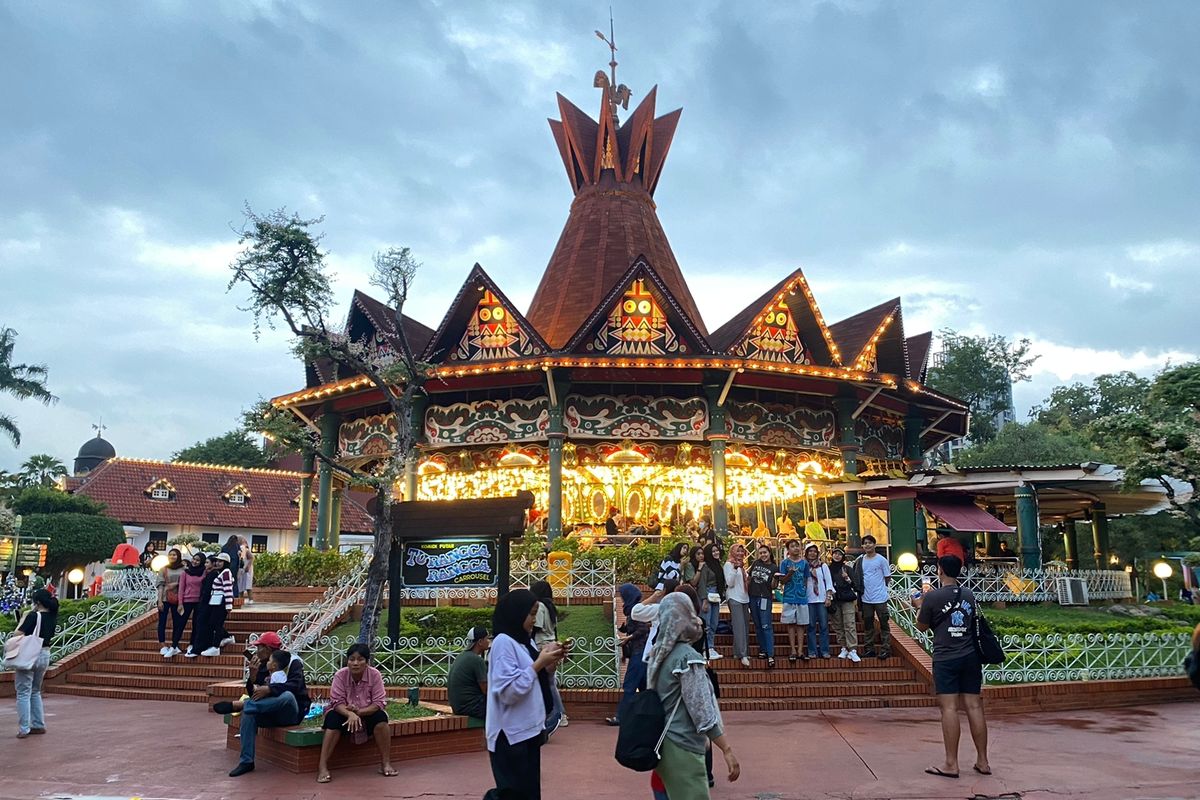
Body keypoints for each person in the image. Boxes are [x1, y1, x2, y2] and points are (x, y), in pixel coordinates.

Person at [647, 593, 740, 798]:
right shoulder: (687, 658)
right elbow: (701, 710)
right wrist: (726, 749)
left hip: (662, 745)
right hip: (682, 747)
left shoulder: (658, 654)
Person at [485, 588, 566, 800]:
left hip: (528, 732)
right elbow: (508, 693)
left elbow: (534, 681)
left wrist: (549, 665)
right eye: (531, 613)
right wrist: (539, 663)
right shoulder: (503, 643)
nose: (534, 619)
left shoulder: (524, 641)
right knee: (512, 794)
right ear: (516, 613)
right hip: (510, 736)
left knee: (529, 793)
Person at [915, 554, 990, 779]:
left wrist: (918, 605)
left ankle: (951, 763)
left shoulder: (932, 597)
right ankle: (983, 761)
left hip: (946, 657)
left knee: (949, 708)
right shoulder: (969, 594)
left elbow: (921, 626)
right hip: (970, 655)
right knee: (974, 706)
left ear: (940, 570)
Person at [212, 630, 312, 777]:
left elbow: (295, 686)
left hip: (291, 712)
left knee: (287, 696)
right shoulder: (263, 665)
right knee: (249, 713)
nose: (256, 651)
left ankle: (243, 705)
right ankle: (246, 761)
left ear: (268, 649)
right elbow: (255, 695)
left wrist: (270, 689)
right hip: (268, 712)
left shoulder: (292, 662)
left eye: (259, 648)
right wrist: (252, 678)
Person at [316, 642, 396, 783]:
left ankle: (385, 763)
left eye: (360, 659)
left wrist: (358, 712)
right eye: (352, 659)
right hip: (344, 713)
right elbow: (336, 702)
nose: (355, 663)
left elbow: (379, 702)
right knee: (332, 720)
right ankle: (322, 766)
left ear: (367, 662)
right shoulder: (340, 675)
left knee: (381, 719)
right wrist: (350, 714)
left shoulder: (375, 675)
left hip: (365, 712)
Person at [12, 588, 57, 738]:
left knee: (23, 692)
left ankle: (24, 728)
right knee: (35, 690)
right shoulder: (52, 616)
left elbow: (17, 634)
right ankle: (38, 724)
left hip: (29, 655)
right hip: (44, 653)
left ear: (37, 602)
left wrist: (24, 618)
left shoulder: (33, 616)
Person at [607, 583, 650, 726]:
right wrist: (626, 629)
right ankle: (647, 715)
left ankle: (622, 716)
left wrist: (629, 637)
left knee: (630, 685)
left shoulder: (635, 611)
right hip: (641, 652)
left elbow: (643, 629)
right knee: (644, 687)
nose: (621, 598)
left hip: (639, 652)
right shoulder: (632, 610)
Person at [530, 580, 567, 733]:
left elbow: (535, 628)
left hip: (542, 646)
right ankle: (560, 713)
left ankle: (558, 714)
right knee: (551, 683)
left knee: (546, 682)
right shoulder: (551, 606)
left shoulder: (540, 606)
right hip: (552, 645)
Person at [852, 535, 892, 660]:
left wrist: (881, 588)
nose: (867, 545)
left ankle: (886, 648)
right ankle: (869, 649)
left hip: (880, 597)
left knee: (884, 623)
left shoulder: (881, 560)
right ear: (862, 546)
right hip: (865, 598)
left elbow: (887, 577)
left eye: (870, 543)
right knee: (868, 624)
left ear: (875, 545)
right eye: (865, 543)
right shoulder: (860, 561)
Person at [448, 626, 491, 721]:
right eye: (487, 638)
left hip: (458, 707)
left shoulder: (462, 656)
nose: (489, 641)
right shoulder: (476, 660)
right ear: (480, 642)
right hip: (471, 707)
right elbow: (486, 690)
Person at [779, 539, 811, 663]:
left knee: (801, 624)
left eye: (797, 546)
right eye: (792, 546)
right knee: (791, 623)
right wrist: (790, 573)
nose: (796, 548)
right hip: (789, 596)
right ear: (788, 549)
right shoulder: (785, 563)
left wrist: (803, 591)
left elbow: (805, 579)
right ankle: (792, 650)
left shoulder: (804, 563)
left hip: (801, 597)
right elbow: (782, 580)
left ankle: (800, 651)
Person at [746, 543, 778, 667]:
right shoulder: (755, 563)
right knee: (758, 625)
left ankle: (770, 653)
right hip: (753, 597)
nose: (763, 555)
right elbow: (749, 579)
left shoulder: (774, 567)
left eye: (765, 552)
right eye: (761, 553)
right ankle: (763, 650)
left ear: (770, 553)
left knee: (766, 625)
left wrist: (776, 578)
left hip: (765, 598)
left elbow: (774, 586)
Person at [828, 547, 861, 662]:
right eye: (835, 554)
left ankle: (852, 649)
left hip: (847, 599)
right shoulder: (827, 569)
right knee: (838, 625)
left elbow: (855, 586)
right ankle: (844, 647)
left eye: (839, 554)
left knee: (849, 623)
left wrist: (847, 579)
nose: (837, 556)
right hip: (834, 599)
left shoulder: (847, 569)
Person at [199, 552, 235, 657]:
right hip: (215, 600)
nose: (218, 563)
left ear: (226, 562)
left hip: (221, 601)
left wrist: (228, 605)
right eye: (217, 561)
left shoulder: (226, 572)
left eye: (221, 561)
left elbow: (228, 589)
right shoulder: (221, 572)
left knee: (217, 623)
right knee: (213, 622)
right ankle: (227, 637)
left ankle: (216, 647)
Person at [695, 543, 726, 660]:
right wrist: (704, 600)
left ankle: (711, 647)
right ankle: (704, 648)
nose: (716, 553)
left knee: (714, 622)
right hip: (707, 595)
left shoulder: (718, 565)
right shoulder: (706, 566)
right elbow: (702, 584)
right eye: (713, 551)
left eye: (717, 550)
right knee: (706, 623)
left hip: (716, 597)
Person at [723, 543, 752, 667]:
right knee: (739, 626)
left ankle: (738, 652)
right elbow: (729, 582)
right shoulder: (729, 564)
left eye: (742, 551)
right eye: (738, 551)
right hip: (734, 597)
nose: (740, 553)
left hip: (744, 598)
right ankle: (743, 654)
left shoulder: (742, 567)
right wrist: (735, 568)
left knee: (744, 626)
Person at [804, 544, 834, 659]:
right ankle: (812, 651)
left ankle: (825, 650)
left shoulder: (823, 566)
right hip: (809, 600)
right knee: (810, 626)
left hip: (821, 599)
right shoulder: (804, 566)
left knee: (823, 626)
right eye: (810, 551)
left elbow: (829, 582)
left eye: (814, 551)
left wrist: (828, 597)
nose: (812, 553)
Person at [155, 548, 186, 658]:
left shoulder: (184, 569)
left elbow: (186, 582)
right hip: (164, 597)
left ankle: (175, 644)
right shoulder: (164, 569)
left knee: (177, 622)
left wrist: (176, 584)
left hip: (178, 598)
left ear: (178, 556)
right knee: (162, 622)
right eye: (170, 554)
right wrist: (159, 601)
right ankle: (162, 645)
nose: (172, 557)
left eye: (174, 555)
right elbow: (160, 585)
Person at [178, 551, 206, 657]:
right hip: (187, 600)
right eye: (194, 559)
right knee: (181, 623)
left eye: (198, 560)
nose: (195, 561)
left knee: (196, 623)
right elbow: (181, 588)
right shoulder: (186, 572)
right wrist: (180, 603)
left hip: (198, 602)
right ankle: (175, 645)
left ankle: (192, 644)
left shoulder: (204, 572)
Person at [239, 536, 255, 605]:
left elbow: (251, 558)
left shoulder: (245, 549)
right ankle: (240, 599)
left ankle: (250, 599)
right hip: (242, 569)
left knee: (248, 585)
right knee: (241, 585)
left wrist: (248, 566)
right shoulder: (240, 549)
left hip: (247, 570)